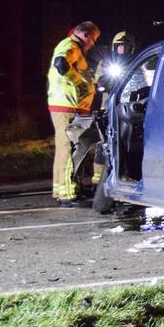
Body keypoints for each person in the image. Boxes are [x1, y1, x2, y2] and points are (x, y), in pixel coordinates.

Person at [47, 21, 100, 207]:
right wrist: (79, 82)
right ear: (85, 35)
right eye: (93, 39)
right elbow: (60, 64)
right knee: (68, 147)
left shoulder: (72, 47)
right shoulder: (70, 45)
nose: (92, 44)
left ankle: (62, 188)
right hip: (66, 105)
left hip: (65, 105)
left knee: (64, 147)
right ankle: (68, 194)